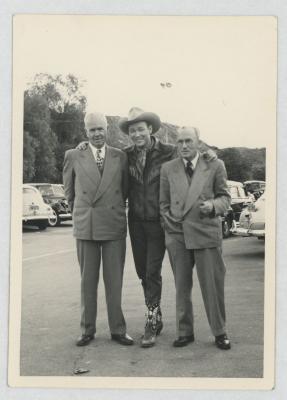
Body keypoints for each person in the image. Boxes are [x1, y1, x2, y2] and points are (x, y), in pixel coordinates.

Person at [63, 112, 133, 347]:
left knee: (115, 281)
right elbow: (69, 193)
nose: (97, 133)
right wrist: (83, 214)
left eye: (100, 128)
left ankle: (118, 330)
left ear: (107, 129)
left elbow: (123, 190)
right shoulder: (73, 155)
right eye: (92, 129)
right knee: (87, 281)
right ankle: (87, 329)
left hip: (113, 224)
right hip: (87, 225)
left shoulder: (119, 156)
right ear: (86, 132)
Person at [159, 126, 231, 350]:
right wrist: (170, 225)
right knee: (182, 286)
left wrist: (212, 206)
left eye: (189, 141)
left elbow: (225, 198)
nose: (184, 146)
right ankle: (184, 332)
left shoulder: (215, 165)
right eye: (180, 142)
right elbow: (163, 204)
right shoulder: (168, 168)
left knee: (212, 286)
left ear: (199, 142)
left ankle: (220, 332)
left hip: (206, 232)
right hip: (178, 236)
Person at [118, 107, 177, 348]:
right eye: (132, 131)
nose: (137, 134)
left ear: (150, 129)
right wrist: (81, 147)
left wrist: (209, 156)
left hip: (159, 221)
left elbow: (191, 156)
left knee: (152, 270)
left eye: (141, 129)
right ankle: (156, 312)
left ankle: (151, 321)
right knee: (143, 271)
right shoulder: (125, 155)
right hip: (136, 222)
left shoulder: (168, 152)